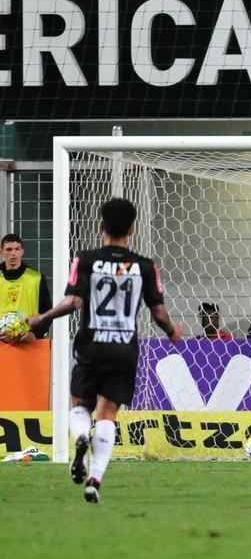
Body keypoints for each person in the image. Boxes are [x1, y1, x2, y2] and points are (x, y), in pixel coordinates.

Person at [27, 198, 182, 504]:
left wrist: (41, 319)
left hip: (91, 345)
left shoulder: (84, 260)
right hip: (124, 350)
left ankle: (81, 436)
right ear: (132, 229)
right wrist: (172, 332)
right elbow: (159, 313)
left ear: (102, 227)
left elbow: (72, 303)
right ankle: (95, 479)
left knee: (79, 405)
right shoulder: (145, 266)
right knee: (108, 413)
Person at [1, 233, 52, 341]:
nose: (13, 253)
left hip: (27, 344)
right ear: (1, 252)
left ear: (22, 251)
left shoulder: (36, 278)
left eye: (17, 249)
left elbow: (46, 312)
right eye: (9, 249)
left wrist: (35, 334)